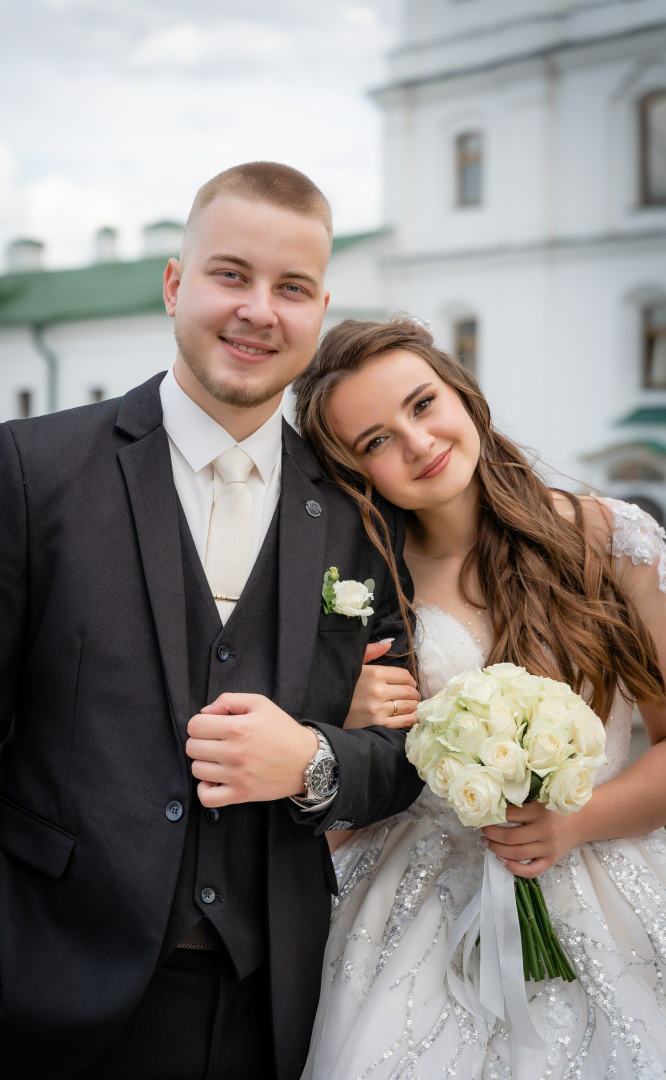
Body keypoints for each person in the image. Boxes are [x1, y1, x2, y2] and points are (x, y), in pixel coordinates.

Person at [0, 165, 424, 1080]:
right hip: (51, 991)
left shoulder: (361, 509)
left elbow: (401, 757)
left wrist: (317, 761)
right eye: (230, 275)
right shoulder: (34, 469)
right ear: (175, 285)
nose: (258, 310)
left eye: (290, 289)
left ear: (319, 309)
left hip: (276, 1005)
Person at [293, 316, 666, 1079]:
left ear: (461, 393)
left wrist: (577, 819)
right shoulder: (364, 593)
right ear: (352, 470)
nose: (415, 441)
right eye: (374, 441)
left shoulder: (604, 539)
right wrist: (347, 722)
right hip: (415, 902)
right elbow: (334, 802)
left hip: (603, 867)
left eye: (421, 404)